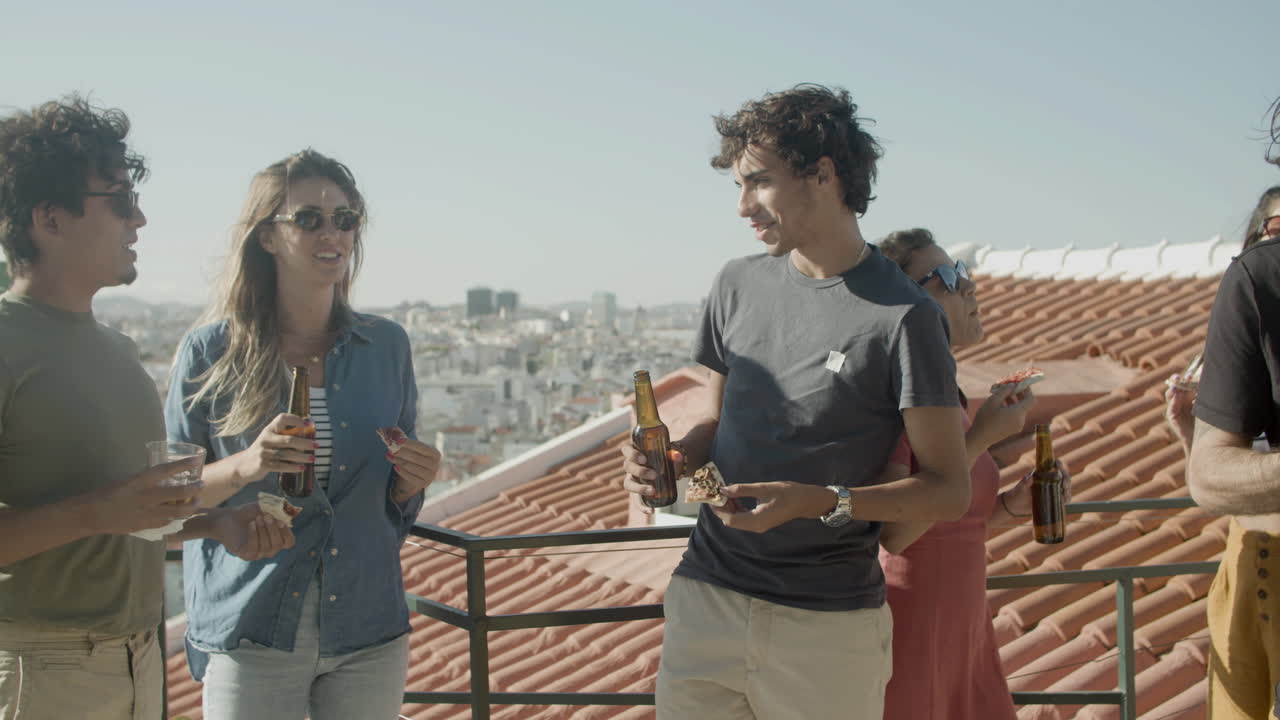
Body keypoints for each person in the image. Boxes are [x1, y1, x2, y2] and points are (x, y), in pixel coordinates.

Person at [621, 85, 971, 719]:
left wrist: (824, 504)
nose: (742, 207)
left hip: (826, 631)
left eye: (757, 182)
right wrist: (673, 461)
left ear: (824, 173)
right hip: (706, 599)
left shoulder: (907, 318)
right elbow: (717, 427)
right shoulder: (735, 284)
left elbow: (949, 490)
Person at [0, 95, 293, 720]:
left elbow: (118, 520)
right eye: (120, 200)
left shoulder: (117, 350)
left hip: (137, 657)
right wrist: (97, 510)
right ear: (48, 219)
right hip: (40, 667)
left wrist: (211, 527)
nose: (140, 219)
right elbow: (98, 513)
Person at [165, 148, 440, 720]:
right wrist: (247, 465)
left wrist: (412, 480)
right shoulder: (209, 354)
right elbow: (166, 504)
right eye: (308, 218)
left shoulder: (387, 347)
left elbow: (396, 505)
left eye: (345, 218)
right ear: (268, 237)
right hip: (255, 627)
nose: (332, 232)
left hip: (367, 629)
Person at [876, 229, 1071, 719]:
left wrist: (1012, 505)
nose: (970, 287)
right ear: (906, 303)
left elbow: (951, 528)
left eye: (963, 271)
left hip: (962, 626)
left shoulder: (949, 398)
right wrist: (981, 438)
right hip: (913, 628)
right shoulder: (897, 397)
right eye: (946, 277)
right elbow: (896, 534)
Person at [1173, 185, 1280, 720]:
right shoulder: (1258, 293)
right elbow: (1221, 479)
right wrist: (1193, 436)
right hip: (1260, 564)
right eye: (1274, 233)